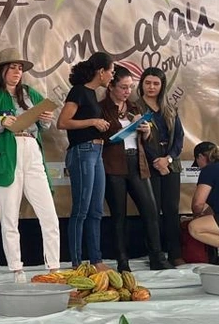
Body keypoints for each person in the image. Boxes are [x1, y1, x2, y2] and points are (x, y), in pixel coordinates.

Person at [0, 47, 60, 281]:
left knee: (49, 214)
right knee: (9, 216)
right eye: (12, 67)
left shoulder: (30, 93)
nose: (17, 72)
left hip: (31, 149)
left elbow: (44, 125)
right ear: (2, 70)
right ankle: (16, 268)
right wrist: (2, 124)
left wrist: (46, 119)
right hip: (8, 152)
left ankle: (54, 267)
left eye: (20, 68)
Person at [101, 67, 170, 272]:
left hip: (137, 162)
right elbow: (101, 137)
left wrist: (146, 131)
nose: (127, 92)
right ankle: (123, 261)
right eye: (123, 87)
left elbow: (146, 140)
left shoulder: (134, 107)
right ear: (111, 86)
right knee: (119, 215)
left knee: (151, 210)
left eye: (130, 87)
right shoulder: (102, 108)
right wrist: (120, 130)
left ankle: (157, 257)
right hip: (114, 164)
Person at [57, 51, 114, 271]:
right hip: (83, 151)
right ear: (101, 72)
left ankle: (96, 260)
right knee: (81, 209)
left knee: (96, 210)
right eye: (111, 71)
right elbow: (63, 122)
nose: (112, 75)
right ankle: (77, 263)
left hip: (97, 152)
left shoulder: (92, 94)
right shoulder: (79, 91)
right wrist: (93, 121)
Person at [138, 67, 185, 265]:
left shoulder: (170, 109)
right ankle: (156, 255)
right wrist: (157, 161)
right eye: (148, 83)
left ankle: (175, 254)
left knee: (171, 209)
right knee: (152, 211)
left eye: (156, 83)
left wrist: (168, 159)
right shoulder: (135, 108)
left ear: (162, 86)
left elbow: (179, 138)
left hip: (171, 164)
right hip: (149, 165)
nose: (151, 87)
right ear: (141, 84)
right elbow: (138, 139)